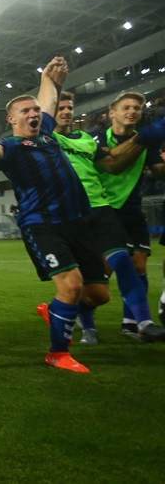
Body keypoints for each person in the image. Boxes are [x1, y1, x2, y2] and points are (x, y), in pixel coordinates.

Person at [0, 58, 165, 374]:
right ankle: (58, 353)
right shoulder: (9, 146)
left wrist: (50, 77)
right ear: (11, 118)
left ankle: (54, 310)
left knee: (99, 294)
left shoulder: (49, 132)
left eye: (35, 110)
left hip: (78, 221)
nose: (33, 113)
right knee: (71, 284)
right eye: (25, 111)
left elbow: (48, 99)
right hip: (42, 225)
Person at [50, 91, 165, 343]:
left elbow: (112, 164)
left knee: (125, 261)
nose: (67, 111)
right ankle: (86, 326)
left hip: (101, 207)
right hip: (70, 214)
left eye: (70, 107)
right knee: (95, 290)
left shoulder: (86, 140)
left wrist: (143, 140)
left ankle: (142, 323)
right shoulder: (45, 140)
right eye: (61, 107)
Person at [91, 92, 165, 337]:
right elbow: (113, 163)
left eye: (137, 107)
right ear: (112, 112)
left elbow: (157, 170)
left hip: (132, 208)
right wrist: (143, 139)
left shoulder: (148, 141)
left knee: (139, 264)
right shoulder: (97, 138)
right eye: (126, 107)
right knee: (104, 271)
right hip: (104, 209)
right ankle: (81, 313)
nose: (132, 111)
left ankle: (131, 323)